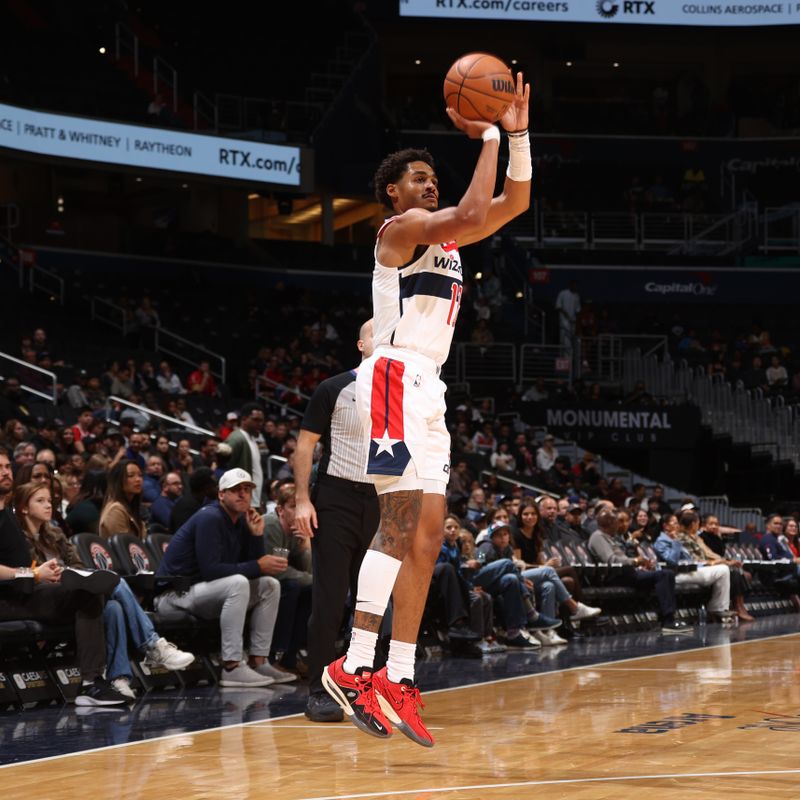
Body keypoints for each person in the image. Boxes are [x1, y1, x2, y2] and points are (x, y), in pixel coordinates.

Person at [321, 72, 532, 747]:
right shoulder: (401, 227)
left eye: (431, 177)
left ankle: (400, 675)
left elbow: (512, 204)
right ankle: (353, 664)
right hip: (391, 379)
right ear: (393, 192)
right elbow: (475, 211)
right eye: (418, 177)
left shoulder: (446, 243)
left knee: (430, 533)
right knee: (401, 517)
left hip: (428, 386)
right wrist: (490, 134)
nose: (428, 184)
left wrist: (519, 136)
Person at [14, 481, 195, 699]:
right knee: (115, 582)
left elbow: (79, 566)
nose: (48, 505)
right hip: (44, 600)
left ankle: (118, 679)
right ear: (24, 507)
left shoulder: (55, 535)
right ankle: (153, 644)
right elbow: (22, 575)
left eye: (49, 500)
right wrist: (50, 578)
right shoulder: (16, 539)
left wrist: (66, 573)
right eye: (40, 501)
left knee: (114, 607)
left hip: (72, 595)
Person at [293, 320, 380, 723]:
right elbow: (305, 445)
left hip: (382, 501)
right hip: (336, 498)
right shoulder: (334, 387)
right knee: (329, 601)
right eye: (379, 331)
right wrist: (302, 500)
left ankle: (367, 682)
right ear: (360, 342)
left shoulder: (403, 395)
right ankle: (318, 691)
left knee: (376, 602)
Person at [0, 449, 127, 705]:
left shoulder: (7, 514)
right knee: (88, 595)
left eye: (7, 467)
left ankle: (92, 683)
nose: (5, 472)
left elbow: (21, 565)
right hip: (5, 601)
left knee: (89, 592)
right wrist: (33, 573)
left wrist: (43, 572)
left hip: (27, 594)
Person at [155, 468, 289, 687]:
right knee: (238, 582)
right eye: (235, 490)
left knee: (270, 585)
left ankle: (258, 660)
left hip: (204, 593)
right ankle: (232, 666)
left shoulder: (240, 521)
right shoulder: (210, 516)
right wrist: (257, 564)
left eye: (247, 489)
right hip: (174, 596)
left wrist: (256, 535)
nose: (242, 494)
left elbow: (253, 568)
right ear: (221, 495)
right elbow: (211, 570)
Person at [225, 403, 266, 510]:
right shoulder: (237, 439)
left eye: (261, 420)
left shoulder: (251, 440)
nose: (260, 423)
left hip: (253, 501)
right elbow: (226, 469)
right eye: (256, 420)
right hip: (241, 502)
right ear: (244, 419)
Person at [99, 459, 147, 539]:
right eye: (131, 476)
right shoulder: (115, 510)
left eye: (140, 475)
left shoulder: (131, 506)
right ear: (118, 480)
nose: (138, 479)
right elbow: (125, 546)